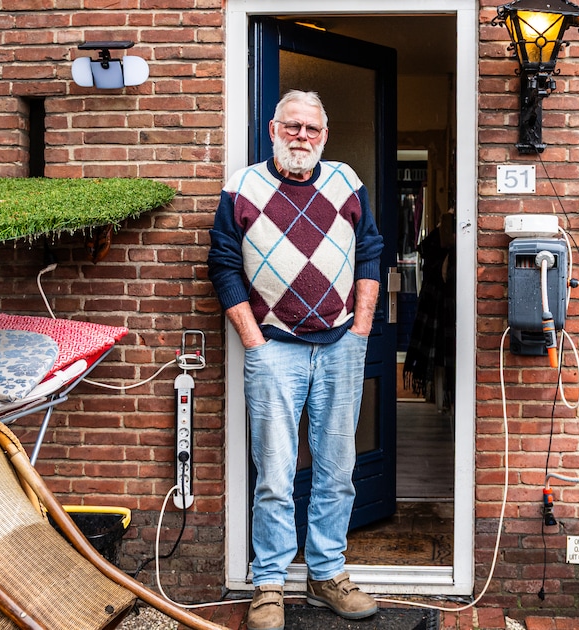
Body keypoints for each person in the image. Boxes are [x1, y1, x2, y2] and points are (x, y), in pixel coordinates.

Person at [207, 89, 383, 630]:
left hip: (340, 346)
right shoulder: (242, 187)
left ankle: (327, 574)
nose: (301, 136)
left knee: (337, 471)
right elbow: (222, 264)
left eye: (311, 128)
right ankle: (268, 585)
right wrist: (252, 340)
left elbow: (371, 251)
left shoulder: (346, 181)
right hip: (273, 349)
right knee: (274, 475)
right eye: (292, 126)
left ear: (324, 136)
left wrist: (361, 330)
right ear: (273, 129)